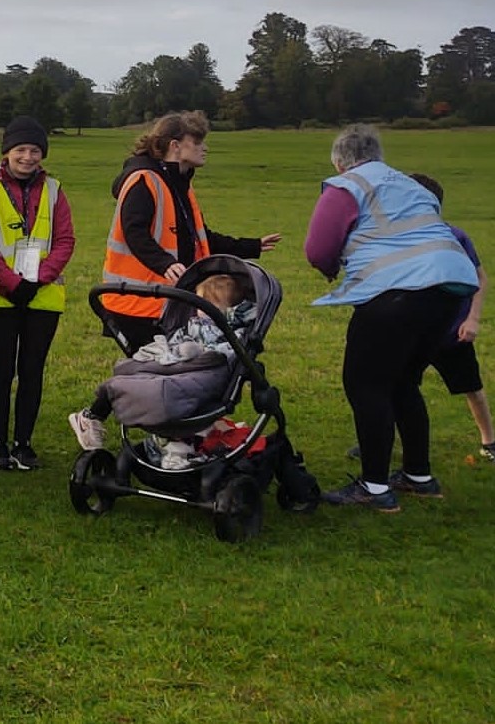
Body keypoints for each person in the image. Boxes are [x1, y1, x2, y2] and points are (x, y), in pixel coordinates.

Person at [305, 126, 478, 511]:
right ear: (379, 155)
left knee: (365, 384)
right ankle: (418, 476)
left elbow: (318, 249)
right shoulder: (410, 184)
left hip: (397, 292)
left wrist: (333, 268)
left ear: (338, 160)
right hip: (449, 289)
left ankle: (375, 488)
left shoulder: (345, 185)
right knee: (402, 383)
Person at [101, 110, 280, 339]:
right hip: (138, 303)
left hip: (165, 299)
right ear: (175, 146)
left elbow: (201, 238)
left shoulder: (179, 184)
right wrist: (165, 264)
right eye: (196, 142)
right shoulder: (144, 180)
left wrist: (251, 246)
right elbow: (134, 232)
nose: (204, 148)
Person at [0, 116, 75, 471]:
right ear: (7, 152)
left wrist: (40, 278)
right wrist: (10, 282)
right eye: (21, 149)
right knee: (1, 370)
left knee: (32, 370)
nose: (28, 157)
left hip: (42, 295)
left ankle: (24, 443)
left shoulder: (53, 190)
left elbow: (65, 240)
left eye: (35, 150)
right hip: (0, 295)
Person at [67, 272, 246, 453]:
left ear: (228, 310)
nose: (200, 311)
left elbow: (228, 353)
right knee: (130, 368)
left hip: (205, 367)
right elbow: (177, 339)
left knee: (160, 388)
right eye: (200, 304)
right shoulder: (194, 324)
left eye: (209, 305)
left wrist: (201, 353)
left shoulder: (231, 332)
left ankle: (94, 414)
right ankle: (92, 415)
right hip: (179, 361)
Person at [408, 175, 492, 464]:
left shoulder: (454, 238)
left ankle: (489, 441)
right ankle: (379, 437)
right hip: (408, 332)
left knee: (471, 388)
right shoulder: (396, 238)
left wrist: (473, 320)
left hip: (449, 332)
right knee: (393, 387)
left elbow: (480, 278)